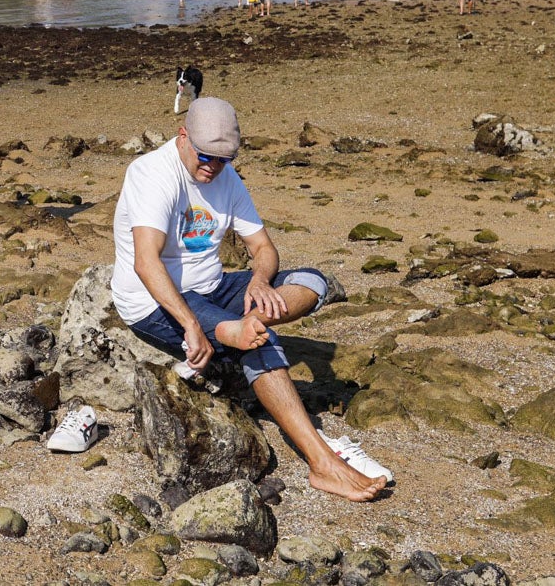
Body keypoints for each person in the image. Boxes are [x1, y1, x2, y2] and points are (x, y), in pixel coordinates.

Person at [111, 98, 389, 501]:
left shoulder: (226, 177)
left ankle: (241, 328)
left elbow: (264, 248)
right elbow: (145, 262)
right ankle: (323, 464)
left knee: (313, 282)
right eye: (206, 156)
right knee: (261, 341)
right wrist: (191, 324)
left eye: (223, 159)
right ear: (182, 136)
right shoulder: (152, 174)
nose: (212, 167)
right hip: (154, 300)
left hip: (213, 288)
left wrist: (260, 281)